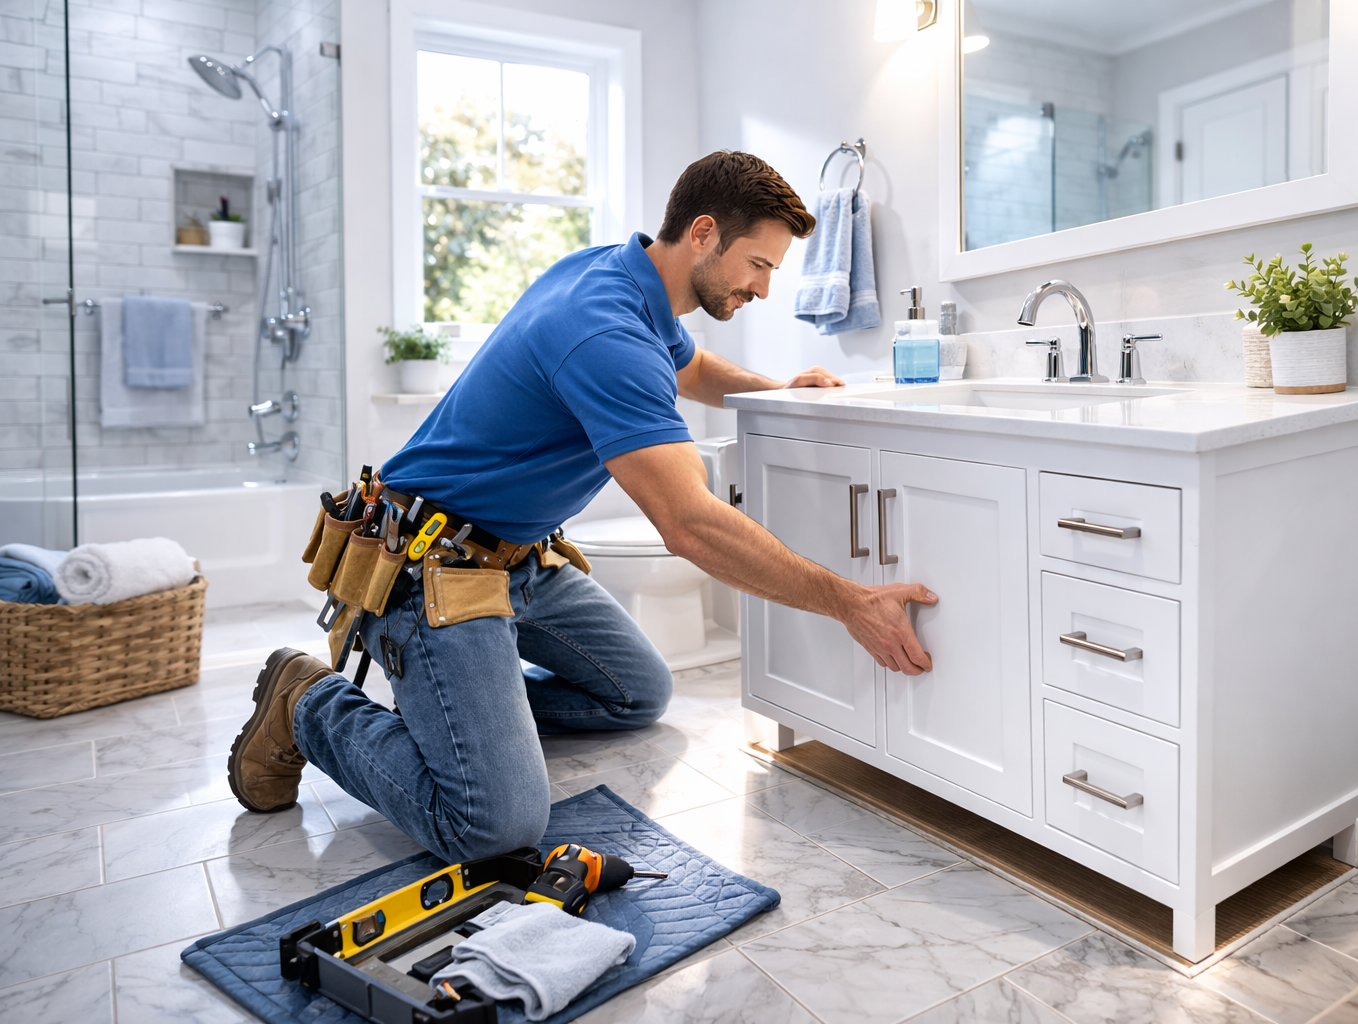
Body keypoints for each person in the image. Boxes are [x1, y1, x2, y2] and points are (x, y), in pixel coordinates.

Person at [227, 151, 936, 863]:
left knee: (638, 694)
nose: (764, 287)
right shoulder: (604, 331)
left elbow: (687, 365)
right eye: (758, 264)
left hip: (517, 560)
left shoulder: (626, 277)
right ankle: (307, 702)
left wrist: (775, 389)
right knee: (493, 826)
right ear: (702, 232)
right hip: (428, 568)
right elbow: (687, 525)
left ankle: (460, 716)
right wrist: (847, 601)